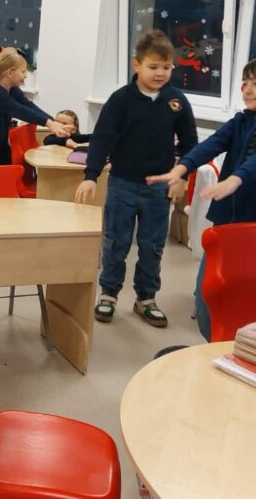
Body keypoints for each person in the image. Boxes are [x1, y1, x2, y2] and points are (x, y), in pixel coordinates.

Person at [149, 56, 256, 339]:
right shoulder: (241, 120)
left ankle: (251, 347)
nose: (248, 89)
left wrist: (235, 179)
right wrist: (182, 168)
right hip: (225, 224)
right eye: (245, 83)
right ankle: (214, 345)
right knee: (209, 294)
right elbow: (212, 144)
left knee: (254, 300)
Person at [75, 30, 198, 329]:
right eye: (153, 66)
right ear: (137, 65)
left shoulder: (176, 101)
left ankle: (146, 298)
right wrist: (91, 176)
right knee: (115, 243)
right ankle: (108, 293)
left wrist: (183, 176)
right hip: (122, 184)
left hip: (159, 188)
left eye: (166, 67)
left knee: (153, 246)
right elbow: (102, 139)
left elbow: (190, 143)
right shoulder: (121, 100)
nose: (160, 73)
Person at [0, 47, 72, 166]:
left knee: (7, 175)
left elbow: (29, 106)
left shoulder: (13, 90)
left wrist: (54, 122)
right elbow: (19, 110)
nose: (25, 76)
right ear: (10, 73)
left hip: (1, 144)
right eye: (23, 71)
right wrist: (49, 124)